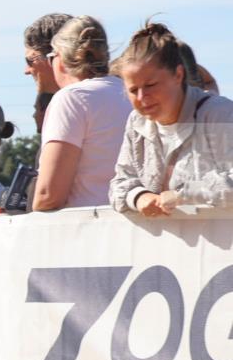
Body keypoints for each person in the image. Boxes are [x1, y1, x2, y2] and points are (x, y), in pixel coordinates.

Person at [109, 22, 233, 216]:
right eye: (133, 90)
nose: (142, 98)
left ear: (178, 74)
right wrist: (139, 197)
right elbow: (120, 182)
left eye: (150, 85)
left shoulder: (220, 114)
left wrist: (184, 195)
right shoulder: (136, 121)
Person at [32, 15, 131, 210]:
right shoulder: (132, 93)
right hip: (138, 226)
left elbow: (48, 196)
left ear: (59, 59)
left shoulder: (71, 98)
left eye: (51, 58)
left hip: (86, 231)